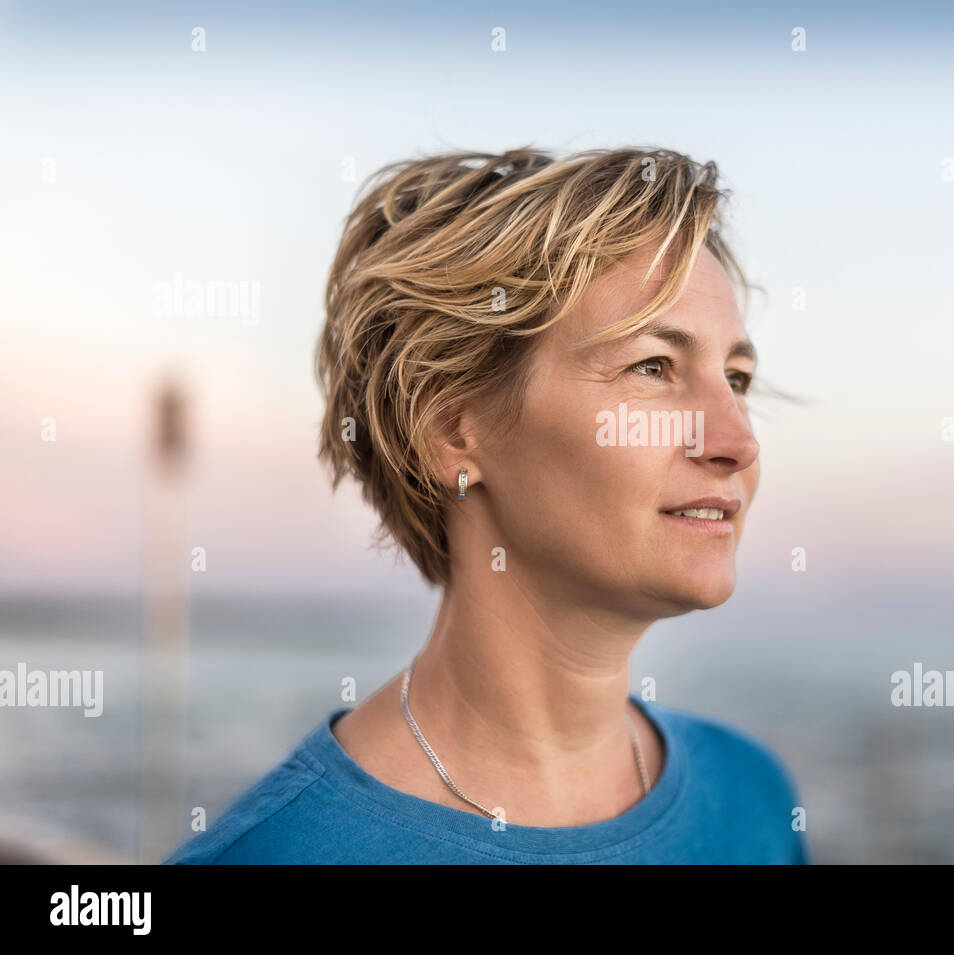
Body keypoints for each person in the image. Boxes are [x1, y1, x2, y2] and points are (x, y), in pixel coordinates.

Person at [164, 145, 809, 864]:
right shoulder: (280, 855)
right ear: (451, 427)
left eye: (738, 378)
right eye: (652, 366)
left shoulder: (753, 798)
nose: (737, 441)